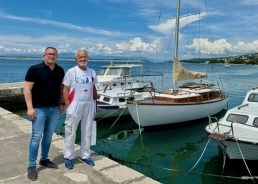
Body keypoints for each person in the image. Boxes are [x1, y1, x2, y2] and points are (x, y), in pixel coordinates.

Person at [24, 47, 65, 181]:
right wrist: (30, 108)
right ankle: (31, 166)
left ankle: (44, 159)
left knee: (48, 136)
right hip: (39, 109)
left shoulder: (60, 70)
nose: (51, 56)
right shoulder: (34, 69)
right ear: (44, 55)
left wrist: (62, 103)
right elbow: (27, 89)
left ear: (57, 56)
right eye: (49, 54)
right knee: (36, 136)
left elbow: (61, 88)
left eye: (54, 54)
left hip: (54, 109)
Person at [63, 49, 97, 170]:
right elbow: (65, 90)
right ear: (76, 59)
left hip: (89, 104)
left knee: (87, 131)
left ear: (88, 58)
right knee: (70, 132)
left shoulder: (92, 72)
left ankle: (85, 155)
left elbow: (94, 88)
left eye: (85, 57)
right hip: (75, 104)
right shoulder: (71, 72)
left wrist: (95, 104)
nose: (83, 59)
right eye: (80, 57)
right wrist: (68, 106)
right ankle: (68, 157)